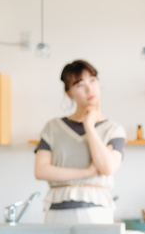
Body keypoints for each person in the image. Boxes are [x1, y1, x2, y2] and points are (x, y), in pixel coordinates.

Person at [34, 60, 126, 224]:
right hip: (57, 211)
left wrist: (89, 126)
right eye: (79, 85)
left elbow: (107, 167)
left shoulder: (113, 129)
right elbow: (41, 171)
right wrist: (88, 172)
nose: (89, 89)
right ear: (69, 93)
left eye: (92, 80)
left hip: (96, 212)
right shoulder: (53, 127)